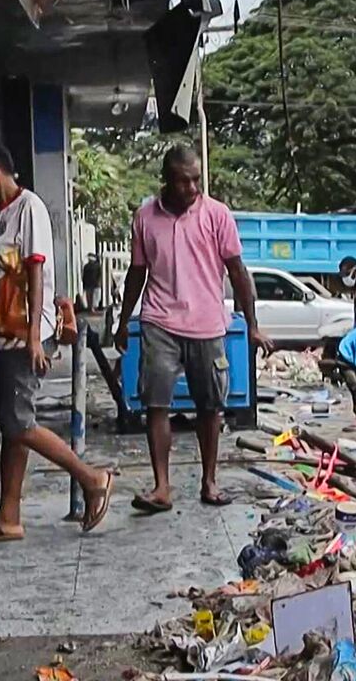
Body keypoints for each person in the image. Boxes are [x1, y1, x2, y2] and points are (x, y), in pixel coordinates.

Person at [0, 140, 113, 544]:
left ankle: (91, 478)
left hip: (23, 333)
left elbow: (35, 272)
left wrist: (33, 338)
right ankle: (8, 516)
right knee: (10, 426)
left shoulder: (30, 208)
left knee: (21, 423)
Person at [114, 145, 272, 513]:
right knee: (155, 404)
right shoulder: (144, 217)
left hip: (207, 325)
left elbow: (238, 272)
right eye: (184, 181)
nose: (192, 187)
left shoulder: (217, 215)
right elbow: (137, 273)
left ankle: (209, 481)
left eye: (196, 179)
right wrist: (123, 322)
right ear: (166, 180)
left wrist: (252, 325)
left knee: (210, 407)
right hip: (158, 321)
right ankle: (162, 487)